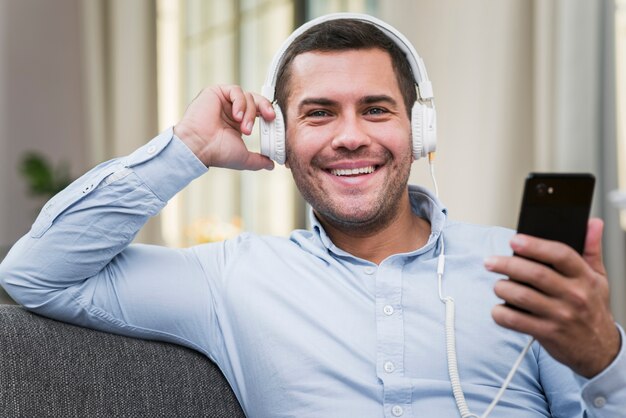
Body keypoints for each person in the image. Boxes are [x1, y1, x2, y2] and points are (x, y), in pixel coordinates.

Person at [0, 13, 624, 418]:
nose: (350, 137)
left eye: (377, 109)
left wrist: (602, 357)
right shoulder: (231, 278)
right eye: (319, 113)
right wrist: (185, 150)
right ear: (280, 141)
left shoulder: (519, 266)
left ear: (420, 129)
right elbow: (37, 274)